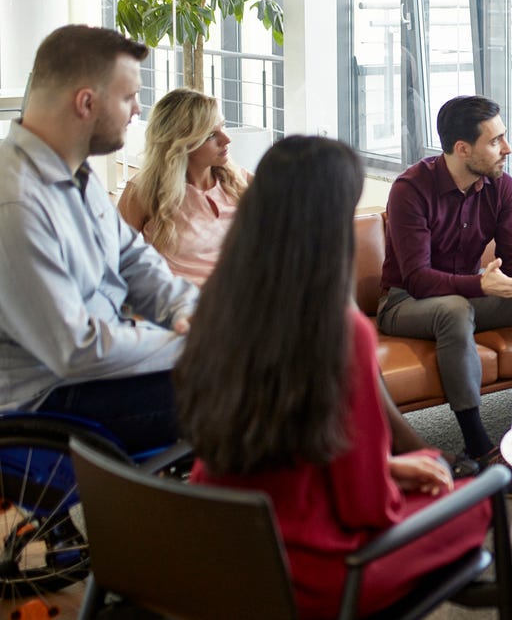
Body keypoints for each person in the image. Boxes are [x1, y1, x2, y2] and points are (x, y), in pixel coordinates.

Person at [175, 136, 492, 619]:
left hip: (224, 547)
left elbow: (281, 444)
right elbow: (369, 511)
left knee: (426, 464)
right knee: (473, 498)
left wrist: (388, 467)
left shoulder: (217, 307)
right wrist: (389, 479)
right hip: (314, 576)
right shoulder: (337, 332)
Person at [0, 25, 197, 454]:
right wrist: (185, 345)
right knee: (248, 394)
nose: (137, 109)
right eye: (128, 97)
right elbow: (74, 350)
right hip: (45, 402)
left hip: (97, 378)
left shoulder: (79, 175)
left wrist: (190, 311)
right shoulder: (15, 203)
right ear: (86, 103)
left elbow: (133, 259)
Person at [377, 95, 512, 464]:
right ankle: (478, 444)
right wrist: (480, 285)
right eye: (495, 141)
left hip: (468, 295)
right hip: (406, 302)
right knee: (453, 310)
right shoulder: (410, 190)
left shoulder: (501, 186)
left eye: (504, 136)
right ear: (462, 149)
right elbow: (418, 279)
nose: (507, 148)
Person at [117, 88, 250, 286]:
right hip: (182, 308)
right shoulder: (142, 191)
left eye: (223, 127)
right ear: (180, 144)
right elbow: (113, 259)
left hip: (243, 302)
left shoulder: (239, 181)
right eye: (211, 135)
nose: (226, 139)